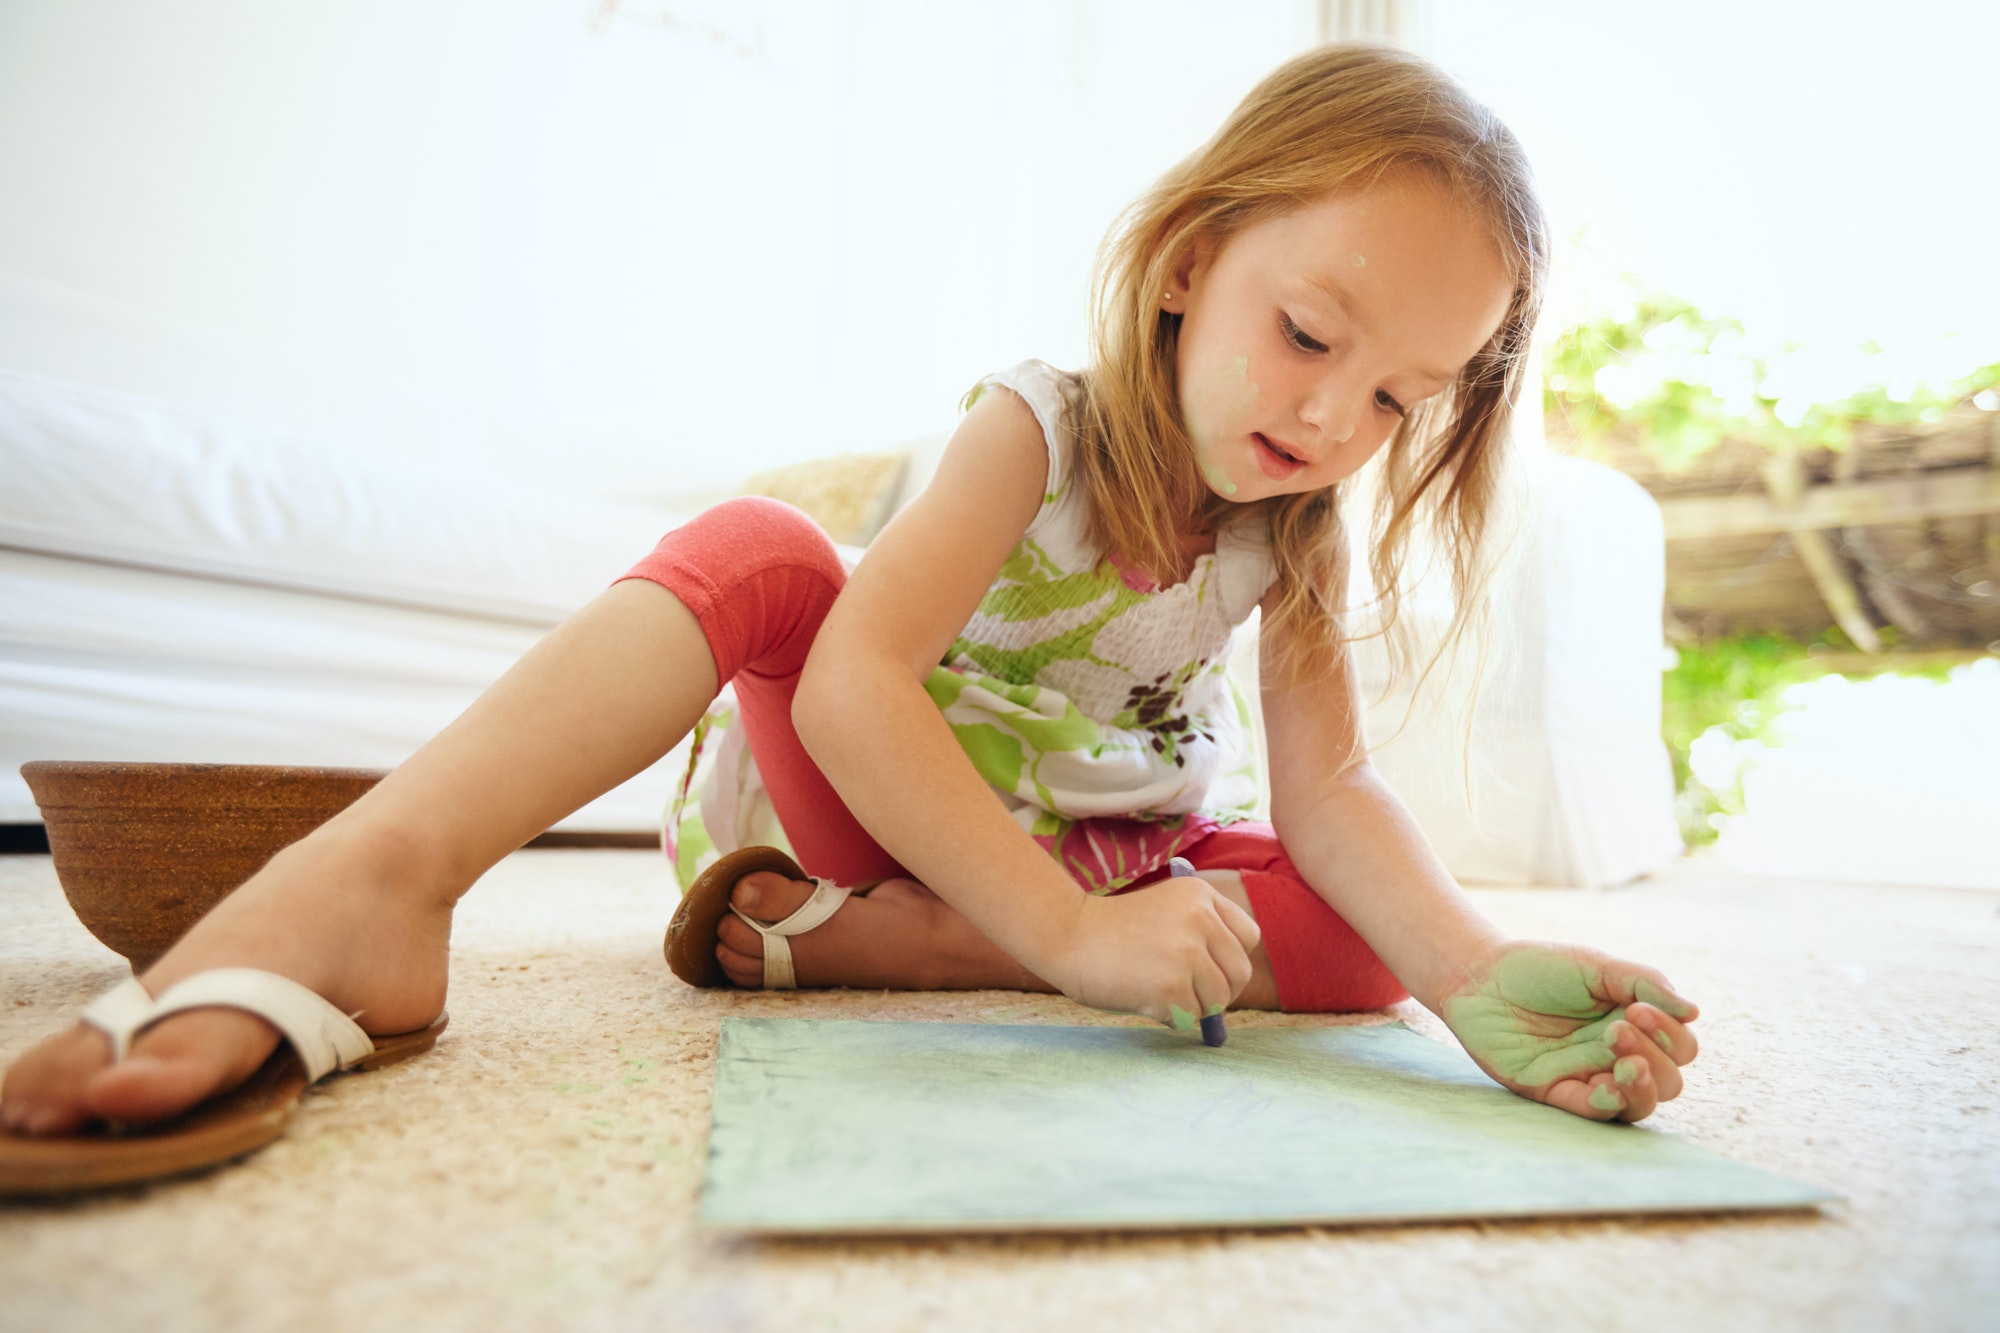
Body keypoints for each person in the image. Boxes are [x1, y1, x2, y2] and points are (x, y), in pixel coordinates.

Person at [1, 44, 1697, 1157]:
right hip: (874, 805)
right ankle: (378, 879)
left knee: (1353, 952)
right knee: (762, 549)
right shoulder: (1032, 428)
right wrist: (1066, 935)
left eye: (1400, 396)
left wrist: (1472, 966)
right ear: (1190, 264)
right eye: (1314, 335)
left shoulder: (1297, 530)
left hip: (1097, 858)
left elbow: (1331, 803)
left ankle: (929, 953)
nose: (1334, 419)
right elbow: (846, 688)